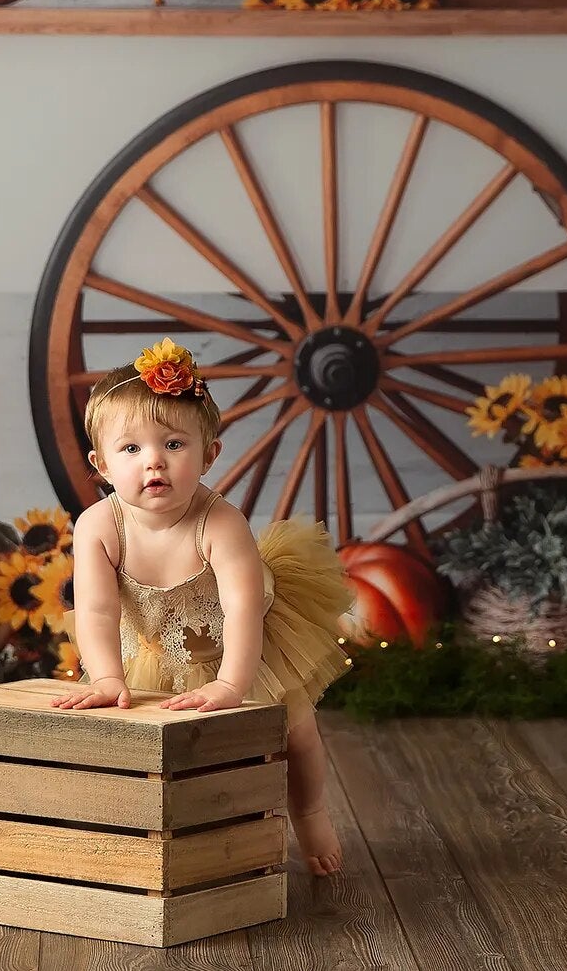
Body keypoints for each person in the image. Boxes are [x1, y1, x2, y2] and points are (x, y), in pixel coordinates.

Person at [49, 337, 354, 876]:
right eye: (131, 449)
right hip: (159, 645)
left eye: (173, 444)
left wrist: (232, 684)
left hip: (247, 642)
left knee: (296, 728)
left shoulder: (220, 521)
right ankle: (186, 835)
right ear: (100, 464)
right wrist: (105, 676)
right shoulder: (98, 526)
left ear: (209, 454)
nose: (153, 463)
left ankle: (308, 811)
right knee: (176, 747)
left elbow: (239, 608)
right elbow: (96, 611)